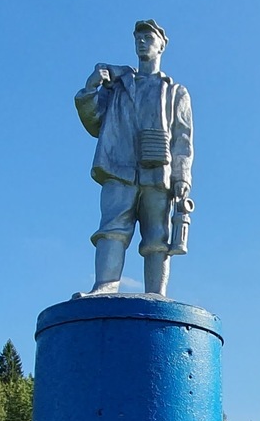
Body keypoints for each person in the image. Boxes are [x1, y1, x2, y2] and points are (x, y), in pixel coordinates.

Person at [74, 19, 194, 296]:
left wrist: (182, 177)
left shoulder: (175, 92)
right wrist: (90, 88)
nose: (141, 42)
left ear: (162, 45)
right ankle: (105, 286)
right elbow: (94, 121)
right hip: (119, 167)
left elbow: (183, 139)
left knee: (157, 237)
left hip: (158, 170)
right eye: (138, 37)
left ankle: (156, 294)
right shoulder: (116, 86)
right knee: (111, 229)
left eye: (148, 37)